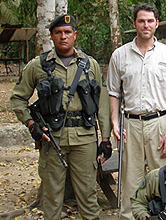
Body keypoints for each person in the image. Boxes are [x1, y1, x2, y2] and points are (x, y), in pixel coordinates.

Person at [10, 14, 111, 219]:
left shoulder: (90, 65)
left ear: (75, 35)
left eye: (67, 32)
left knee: (88, 196)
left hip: (84, 138)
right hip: (52, 138)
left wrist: (106, 139)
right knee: (52, 197)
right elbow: (17, 99)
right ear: (51, 36)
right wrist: (31, 125)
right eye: (58, 33)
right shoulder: (38, 65)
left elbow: (102, 104)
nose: (63, 36)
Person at [106, 3, 166, 220]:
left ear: (157, 24)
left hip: (160, 122)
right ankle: (130, 217)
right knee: (131, 177)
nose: (146, 25)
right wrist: (115, 121)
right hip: (130, 123)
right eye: (141, 21)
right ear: (134, 24)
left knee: (164, 175)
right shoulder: (120, 55)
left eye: (150, 21)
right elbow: (113, 92)